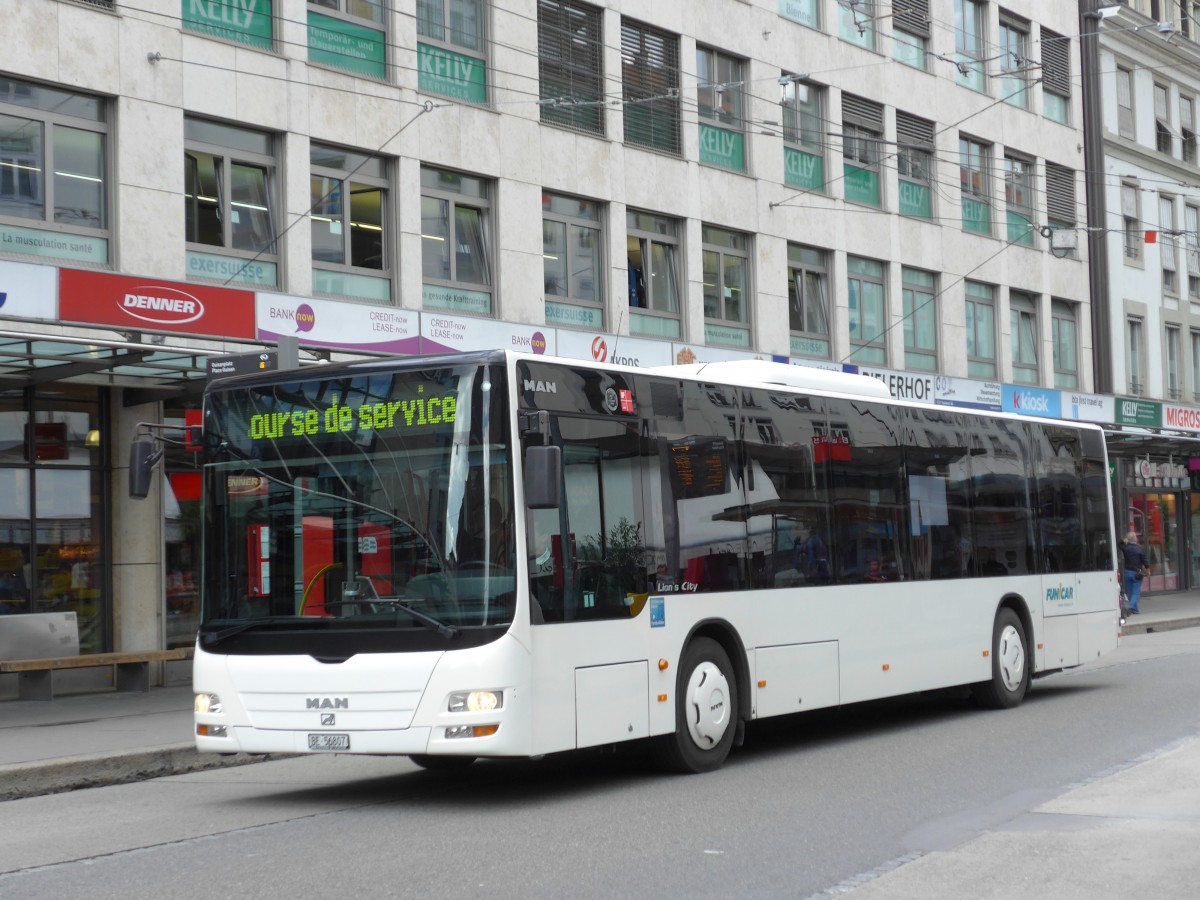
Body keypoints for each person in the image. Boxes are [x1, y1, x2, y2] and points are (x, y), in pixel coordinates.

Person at [1121, 530, 1149, 615]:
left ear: (1128, 539)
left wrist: (1123, 541)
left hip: (1127, 572)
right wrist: (1148, 570)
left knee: (1130, 592)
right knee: (1136, 592)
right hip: (1137, 573)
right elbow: (1145, 560)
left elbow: (1119, 545)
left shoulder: (1125, 548)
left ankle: (1135, 609)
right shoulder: (1139, 549)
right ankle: (1131, 607)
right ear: (1135, 539)